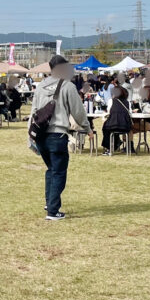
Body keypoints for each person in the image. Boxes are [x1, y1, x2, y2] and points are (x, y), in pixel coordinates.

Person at [31, 55, 92, 220]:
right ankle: (53, 210)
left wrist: (31, 136)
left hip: (41, 134)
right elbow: (78, 111)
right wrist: (88, 128)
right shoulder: (68, 86)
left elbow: (34, 112)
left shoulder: (40, 86)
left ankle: (49, 201)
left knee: (51, 169)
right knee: (59, 171)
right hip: (57, 134)